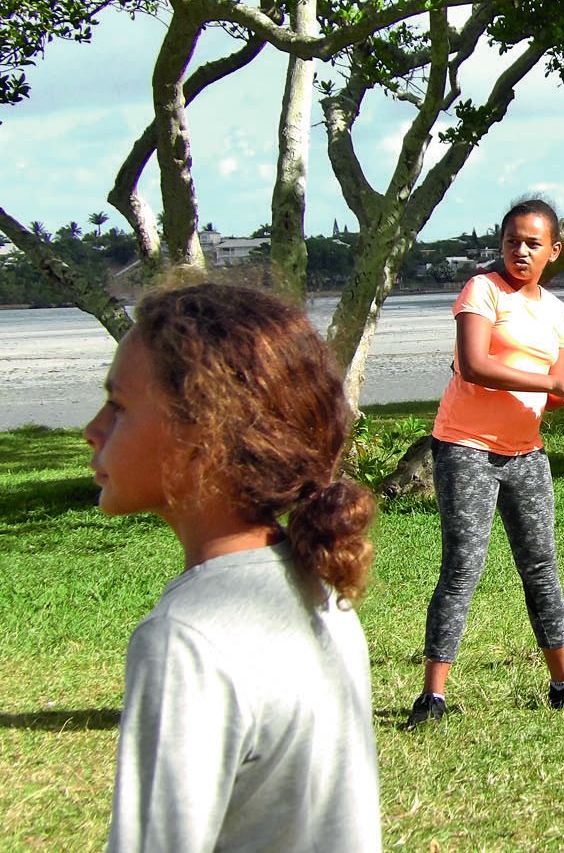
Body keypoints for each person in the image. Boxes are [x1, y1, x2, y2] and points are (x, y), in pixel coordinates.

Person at [86, 284, 380, 852]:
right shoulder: (311, 586)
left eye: (118, 406)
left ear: (202, 435)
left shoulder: (186, 638)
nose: (92, 429)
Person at [406, 198, 564, 729]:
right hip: (466, 447)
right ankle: (432, 697)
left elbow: (551, 395)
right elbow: (477, 366)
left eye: (533, 244)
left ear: (554, 250)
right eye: (512, 242)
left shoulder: (555, 310)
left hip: (526, 453)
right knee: (463, 567)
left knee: (542, 568)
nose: (521, 251)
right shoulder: (482, 291)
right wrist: (553, 381)